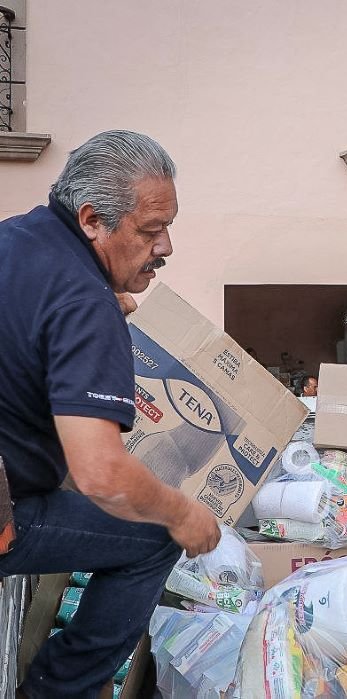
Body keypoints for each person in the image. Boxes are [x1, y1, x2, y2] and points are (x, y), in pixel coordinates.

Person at [0, 130, 221, 698]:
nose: (166, 246)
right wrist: (182, 515)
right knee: (152, 539)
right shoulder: (83, 304)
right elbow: (102, 474)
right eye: (150, 231)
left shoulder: (16, 241)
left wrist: (91, 303)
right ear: (94, 219)